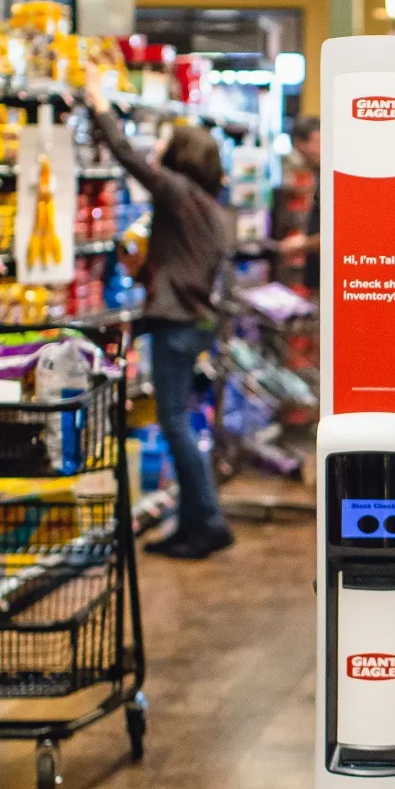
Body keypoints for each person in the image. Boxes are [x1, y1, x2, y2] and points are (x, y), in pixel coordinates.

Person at [85, 83, 235, 559]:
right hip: (195, 321)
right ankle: (190, 523)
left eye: (169, 144)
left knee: (173, 424)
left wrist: (101, 109)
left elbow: (130, 159)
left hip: (175, 324)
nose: (161, 150)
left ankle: (208, 521)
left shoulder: (179, 193)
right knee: (179, 421)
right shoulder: (211, 207)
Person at [280, 116, 322, 290]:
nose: (303, 158)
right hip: (317, 279)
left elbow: (343, 234)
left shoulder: (338, 179)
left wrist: (303, 244)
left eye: (302, 150)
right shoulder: (321, 175)